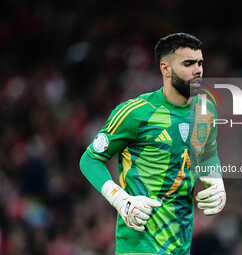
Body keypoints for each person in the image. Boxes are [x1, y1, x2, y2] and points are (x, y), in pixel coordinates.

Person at [79, 32, 226, 255]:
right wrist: (120, 199)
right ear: (165, 68)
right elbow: (89, 160)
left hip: (181, 247)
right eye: (188, 63)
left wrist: (216, 182)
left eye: (200, 63)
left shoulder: (205, 111)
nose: (198, 70)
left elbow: (207, 155)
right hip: (139, 247)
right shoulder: (135, 112)